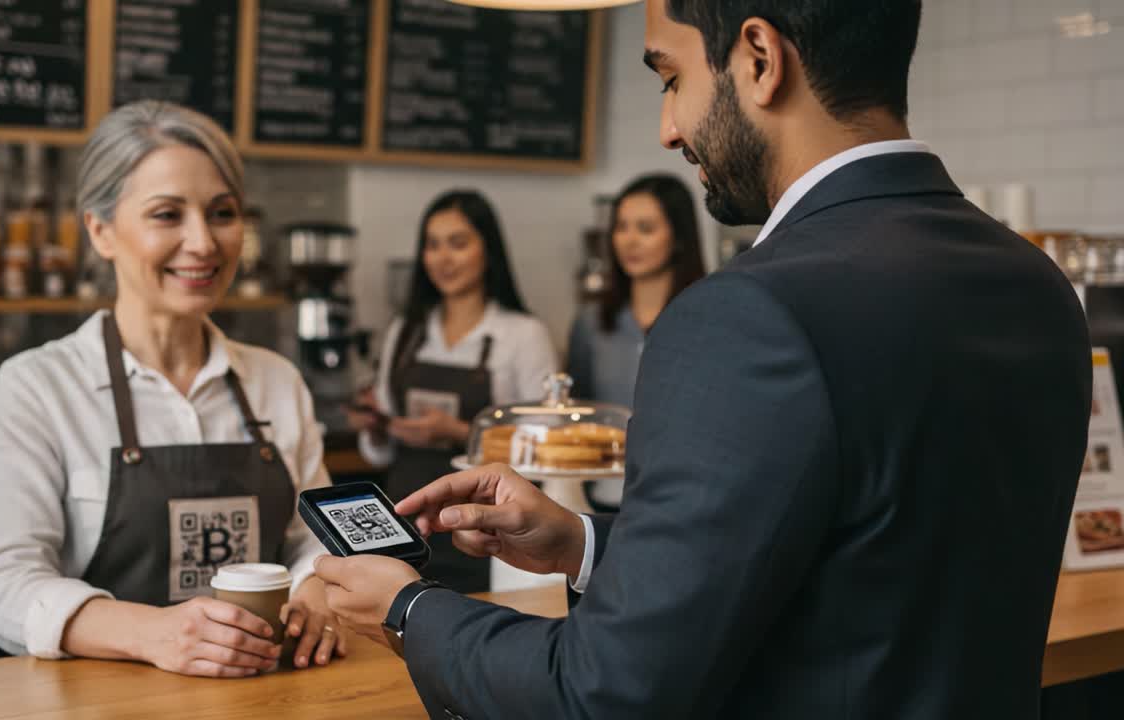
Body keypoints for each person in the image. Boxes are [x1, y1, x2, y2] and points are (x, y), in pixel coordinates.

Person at [313, 1, 1092, 718]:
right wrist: (585, 544)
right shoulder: (1035, 283)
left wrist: (409, 610)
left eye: (672, 77)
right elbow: (863, 569)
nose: (668, 128)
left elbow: (603, 695)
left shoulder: (746, 315)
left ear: (758, 57)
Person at [0, 101, 343, 678]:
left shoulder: (276, 381)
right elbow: (3, 586)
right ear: (100, 231)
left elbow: (313, 540)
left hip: (264, 698)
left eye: (222, 213)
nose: (203, 242)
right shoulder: (38, 386)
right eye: (167, 215)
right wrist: (154, 633)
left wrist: (316, 587)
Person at [346, 190, 557, 593]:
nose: (443, 258)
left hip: (483, 534)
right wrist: (376, 427)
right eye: (433, 244)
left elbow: (544, 451)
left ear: (488, 250)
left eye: (458, 243)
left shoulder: (523, 335)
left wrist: (459, 433)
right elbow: (380, 454)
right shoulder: (405, 331)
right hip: (405, 525)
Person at [566, 173, 705, 510]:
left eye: (645, 229)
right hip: (602, 494)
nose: (629, 241)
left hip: (684, 495)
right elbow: (576, 412)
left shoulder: (707, 317)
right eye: (621, 227)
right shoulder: (592, 322)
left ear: (679, 237)